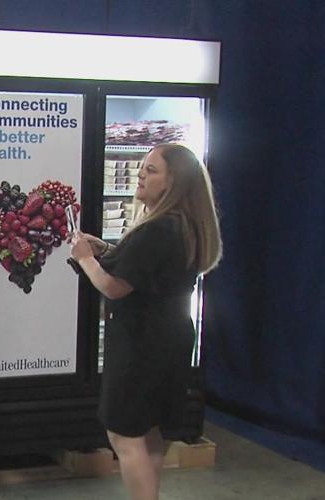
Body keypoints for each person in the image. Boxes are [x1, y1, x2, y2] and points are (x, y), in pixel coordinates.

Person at [69, 144, 222, 500]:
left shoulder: (156, 229)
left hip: (140, 343)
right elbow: (147, 271)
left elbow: (115, 286)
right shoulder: (185, 226)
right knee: (151, 431)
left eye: (151, 170)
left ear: (174, 182)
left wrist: (85, 258)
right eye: (142, 167)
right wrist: (107, 251)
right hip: (171, 337)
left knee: (123, 434)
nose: (140, 175)